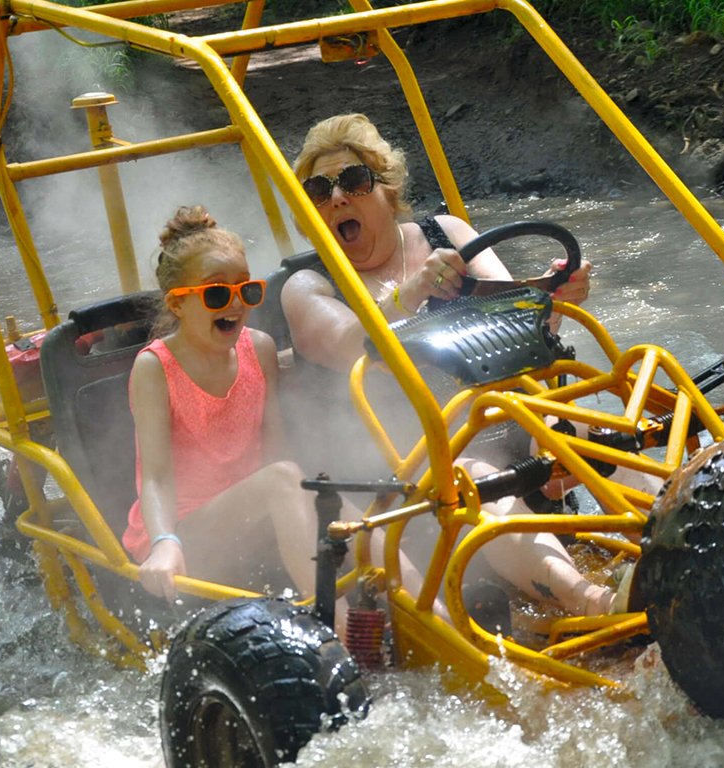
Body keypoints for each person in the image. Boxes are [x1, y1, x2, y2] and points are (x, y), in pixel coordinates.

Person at [282, 114, 628, 617]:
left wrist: (554, 295)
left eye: (354, 182)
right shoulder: (306, 286)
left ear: (388, 187)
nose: (337, 199)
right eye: (319, 189)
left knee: (588, 432)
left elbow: (527, 328)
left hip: (504, 415)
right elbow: (349, 342)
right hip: (408, 464)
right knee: (470, 475)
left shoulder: (444, 232)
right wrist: (412, 292)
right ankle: (594, 602)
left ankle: (691, 534)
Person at [122, 205, 320, 605]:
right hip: (185, 530)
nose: (234, 304)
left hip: (256, 509)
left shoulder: (259, 349)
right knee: (286, 479)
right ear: (177, 304)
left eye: (246, 289)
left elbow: (276, 445)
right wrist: (164, 542)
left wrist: (317, 508)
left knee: (335, 498)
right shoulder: (154, 368)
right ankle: (339, 624)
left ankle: (435, 615)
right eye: (216, 293)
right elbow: (155, 478)